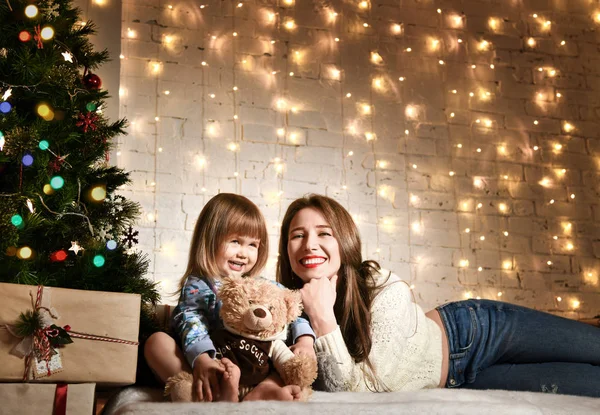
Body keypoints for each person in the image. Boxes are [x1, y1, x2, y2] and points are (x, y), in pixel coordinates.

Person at [277, 194, 600, 397]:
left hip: (476, 332)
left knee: (593, 346)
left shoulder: (376, 282)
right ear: (286, 249)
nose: (309, 245)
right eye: (297, 236)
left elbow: (380, 384)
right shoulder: (290, 314)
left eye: (323, 234)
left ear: (344, 240)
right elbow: (351, 395)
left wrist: (323, 317)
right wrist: (319, 316)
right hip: (462, 381)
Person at [144, 193, 315, 402]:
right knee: (156, 343)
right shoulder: (200, 284)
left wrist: (305, 341)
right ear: (209, 240)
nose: (243, 253)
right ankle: (202, 389)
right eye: (235, 241)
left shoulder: (261, 286)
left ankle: (261, 391)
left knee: (285, 360)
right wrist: (202, 359)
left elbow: (293, 309)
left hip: (255, 365)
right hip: (214, 364)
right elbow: (190, 319)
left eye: (252, 245)